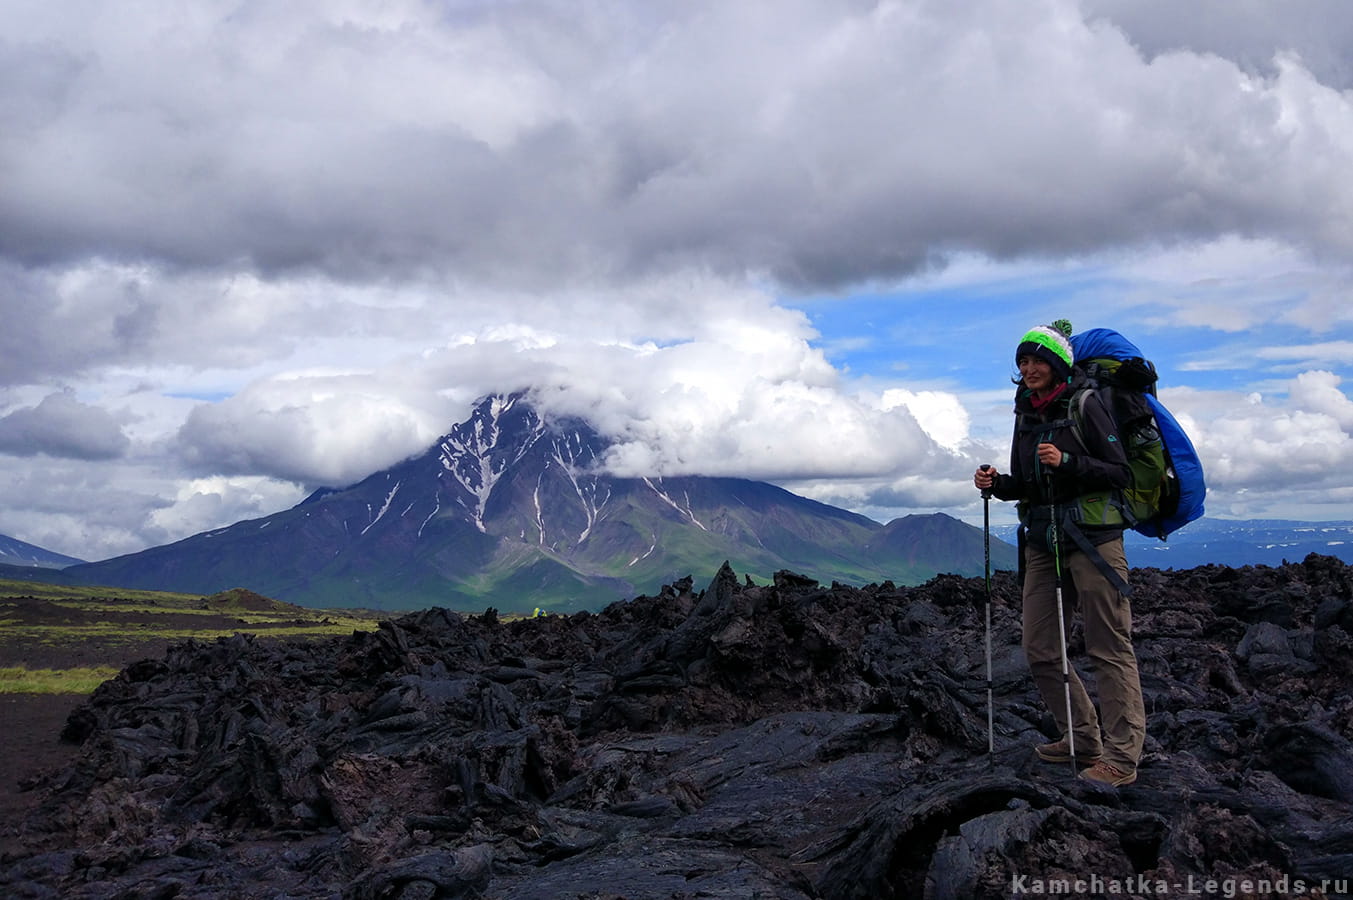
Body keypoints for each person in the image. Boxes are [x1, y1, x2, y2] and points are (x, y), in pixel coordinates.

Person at [973, 320, 1146, 787]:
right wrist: (998, 484)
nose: (1028, 369)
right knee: (1040, 649)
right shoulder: (1025, 413)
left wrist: (1068, 461)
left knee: (1109, 648)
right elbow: (1028, 484)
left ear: (1057, 363)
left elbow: (1120, 473)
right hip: (1043, 541)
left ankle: (1122, 757)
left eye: (1036, 360)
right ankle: (1081, 737)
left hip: (1095, 539)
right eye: (1022, 362)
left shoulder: (1087, 404)